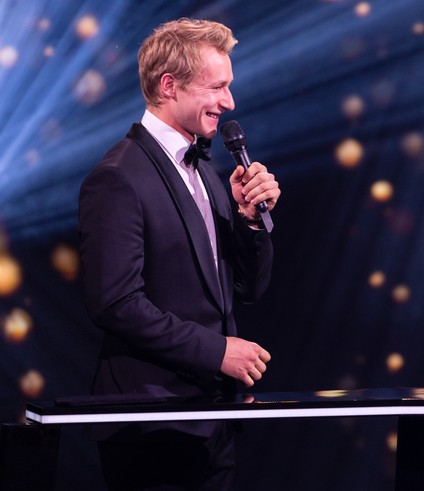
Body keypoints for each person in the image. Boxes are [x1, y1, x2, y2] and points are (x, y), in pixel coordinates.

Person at [78, 18, 280, 490]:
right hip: (152, 422)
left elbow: (246, 289)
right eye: (218, 87)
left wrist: (250, 222)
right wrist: (216, 353)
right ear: (170, 86)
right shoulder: (118, 177)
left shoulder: (207, 169)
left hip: (213, 419)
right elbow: (114, 303)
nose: (229, 102)